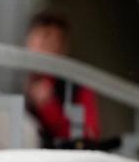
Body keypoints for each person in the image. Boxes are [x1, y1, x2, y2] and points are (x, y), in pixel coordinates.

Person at [23, 10, 102, 147]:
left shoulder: (77, 87)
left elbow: (88, 137)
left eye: (56, 42)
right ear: (29, 40)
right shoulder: (11, 77)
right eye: (44, 38)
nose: (49, 47)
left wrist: (49, 107)